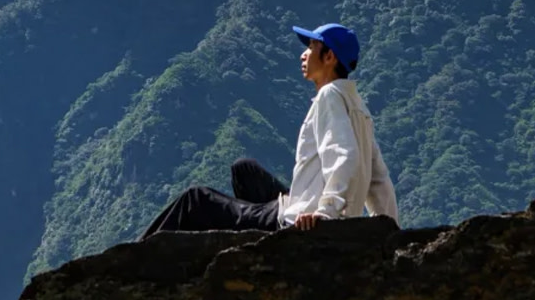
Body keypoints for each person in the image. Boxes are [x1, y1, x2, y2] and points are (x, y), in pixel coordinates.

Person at [138, 23, 398, 240]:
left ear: (329, 57)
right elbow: (378, 178)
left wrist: (325, 213)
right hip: (300, 203)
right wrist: (389, 229)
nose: (304, 55)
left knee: (194, 200)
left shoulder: (329, 96)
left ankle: (131, 260)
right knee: (244, 169)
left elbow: (343, 155)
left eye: (311, 47)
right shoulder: (358, 108)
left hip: (298, 219)